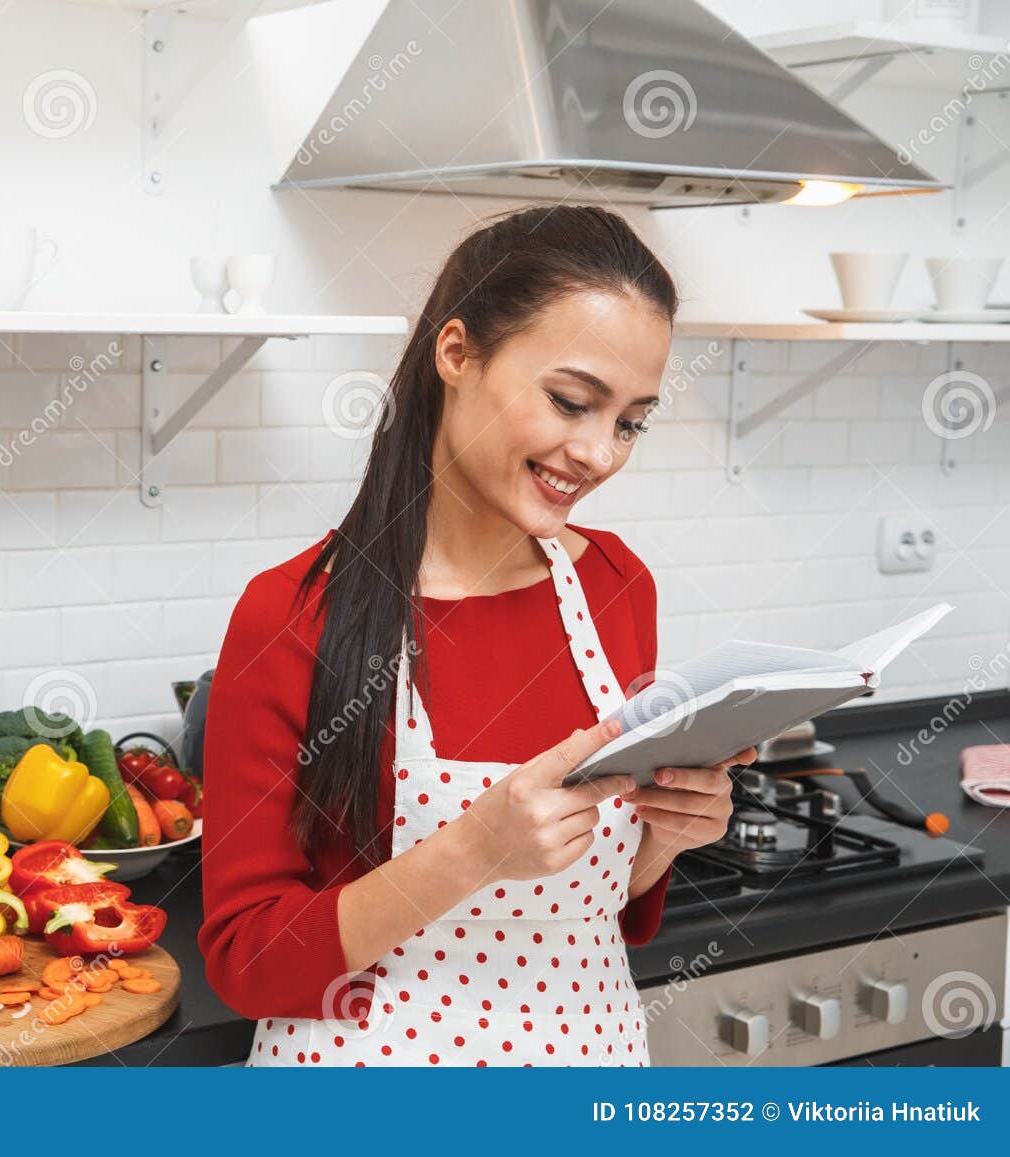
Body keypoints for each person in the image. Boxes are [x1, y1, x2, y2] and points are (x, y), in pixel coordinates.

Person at [198, 204, 756, 1067]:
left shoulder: (618, 588)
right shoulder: (290, 614)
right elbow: (246, 960)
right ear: (455, 353)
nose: (599, 452)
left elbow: (598, 906)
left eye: (630, 420)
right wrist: (472, 850)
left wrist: (669, 837)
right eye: (571, 401)